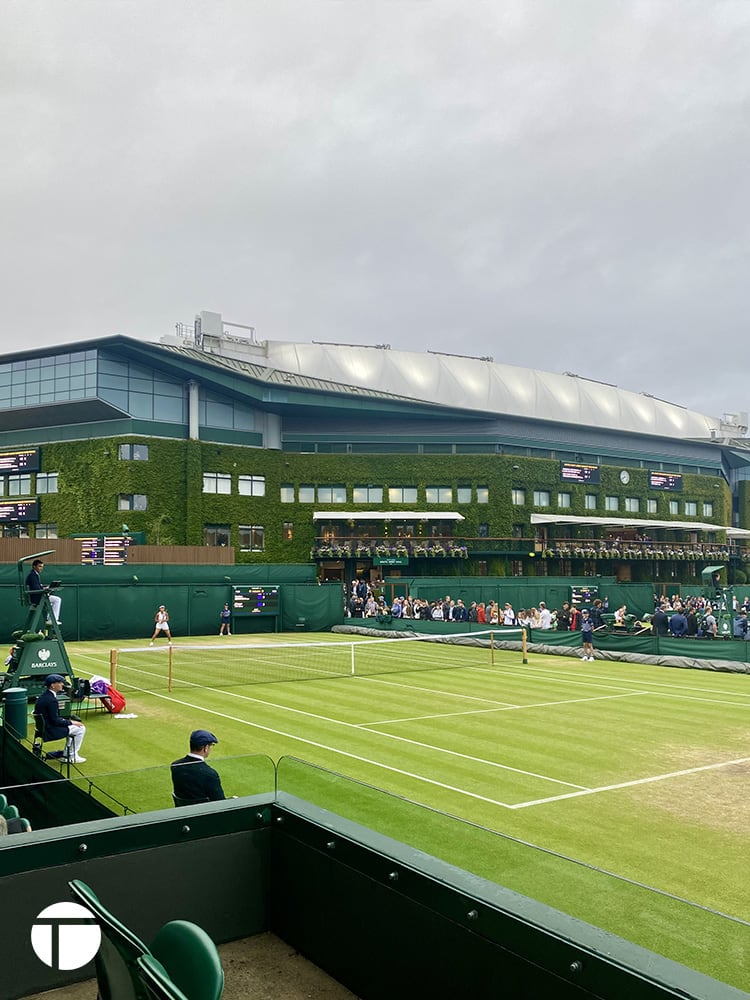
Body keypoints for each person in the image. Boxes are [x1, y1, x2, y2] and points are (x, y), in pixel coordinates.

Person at [35, 673, 86, 763]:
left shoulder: (44, 696)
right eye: (59, 682)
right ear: (52, 685)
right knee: (80, 728)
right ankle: (72, 756)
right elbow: (55, 720)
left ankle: (67, 754)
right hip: (50, 730)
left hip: (44, 728)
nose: (62, 684)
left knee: (75, 728)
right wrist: (72, 722)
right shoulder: (51, 700)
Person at [171, 730, 226, 802]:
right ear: (205, 748)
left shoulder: (175, 766)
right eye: (210, 746)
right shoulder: (210, 774)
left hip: (183, 811)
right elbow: (220, 802)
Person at [25, 558, 62, 624]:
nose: (41, 568)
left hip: (37, 596)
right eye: (39, 566)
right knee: (57, 600)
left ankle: (50, 618)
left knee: (52, 602)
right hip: (37, 598)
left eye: (42, 567)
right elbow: (35, 588)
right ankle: (52, 620)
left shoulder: (34, 574)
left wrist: (44, 588)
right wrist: (44, 589)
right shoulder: (32, 575)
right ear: (34, 566)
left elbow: (36, 586)